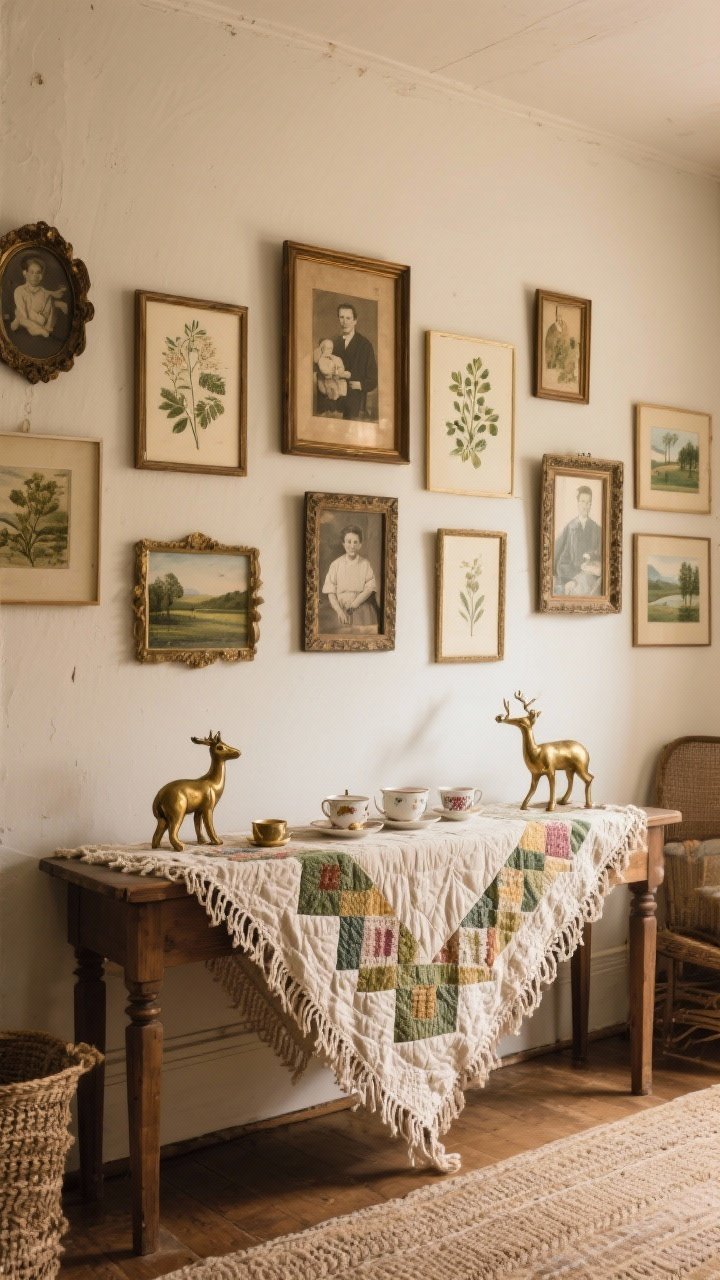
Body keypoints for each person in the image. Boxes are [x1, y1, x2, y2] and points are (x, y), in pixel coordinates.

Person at [322, 525, 379, 631]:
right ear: (343, 543)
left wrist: (354, 605)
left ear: (360, 545)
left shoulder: (365, 564)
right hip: (340, 611)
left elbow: (369, 588)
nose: (352, 546)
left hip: (362, 611)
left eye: (355, 542)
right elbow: (330, 591)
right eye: (348, 542)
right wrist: (339, 611)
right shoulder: (336, 564)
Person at [332, 303, 377, 421]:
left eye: (348, 318)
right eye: (341, 317)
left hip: (356, 403)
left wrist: (360, 385)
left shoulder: (365, 345)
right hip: (335, 400)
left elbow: (373, 379)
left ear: (355, 321)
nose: (344, 322)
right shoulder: (334, 343)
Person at [554, 485, 602, 595]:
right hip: (571, 576)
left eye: (588, 502)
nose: (585, 506)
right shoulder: (571, 527)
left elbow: (601, 553)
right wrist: (570, 579)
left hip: (590, 576)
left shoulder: (597, 529)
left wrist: (591, 555)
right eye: (582, 501)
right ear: (577, 503)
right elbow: (562, 557)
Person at [10, 255, 68, 338]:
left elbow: (51, 294)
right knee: (20, 316)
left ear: (41, 275)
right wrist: (25, 319)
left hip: (42, 319)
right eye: (32, 272)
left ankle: (45, 328)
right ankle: (37, 329)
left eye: (38, 272)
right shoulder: (19, 290)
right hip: (27, 319)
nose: (35, 276)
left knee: (52, 300)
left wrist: (56, 294)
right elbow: (23, 313)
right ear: (25, 273)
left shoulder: (42, 290)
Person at [313, 338, 350, 405]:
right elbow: (324, 371)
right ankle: (333, 399)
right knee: (331, 388)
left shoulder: (336, 358)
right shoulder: (321, 360)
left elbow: (341, 367)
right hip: (327, 380)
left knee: (343, 384)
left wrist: (339, 371)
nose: (329, 350)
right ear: (322, 349)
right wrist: (333, 372)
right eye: (327, 348)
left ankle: (339, 399)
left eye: (331, 348)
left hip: (337, 378)